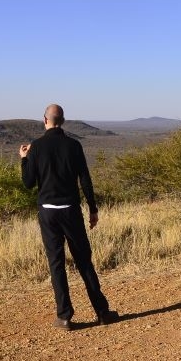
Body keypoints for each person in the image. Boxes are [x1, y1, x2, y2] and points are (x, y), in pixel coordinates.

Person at [19, 103, 120, 331]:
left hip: (48, 212)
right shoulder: (73, 146)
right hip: (71, 211)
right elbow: (85, 180)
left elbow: (28, 183)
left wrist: (24, 159)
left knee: (56, 264)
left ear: (45, 120)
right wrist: (93, 208)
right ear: (62, 121)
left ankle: (64, 316)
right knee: (84, 261)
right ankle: (102, 312)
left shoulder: (36, 147)